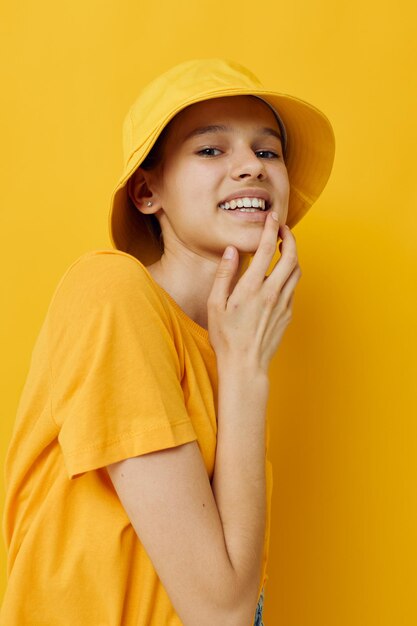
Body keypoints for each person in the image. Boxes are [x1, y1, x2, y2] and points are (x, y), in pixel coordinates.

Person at [0, 58, 335, 625]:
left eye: (268, 150)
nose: (250, 167)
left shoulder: (224, 349)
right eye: (211, 150)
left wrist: (240, 367)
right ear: (146, 191)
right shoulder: (113, 292)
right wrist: (247, 375)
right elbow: (222, 612)